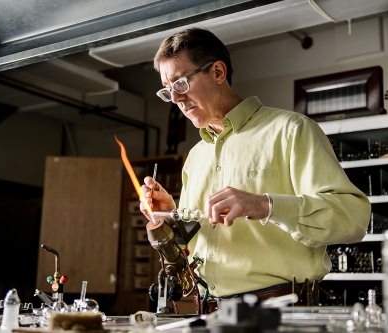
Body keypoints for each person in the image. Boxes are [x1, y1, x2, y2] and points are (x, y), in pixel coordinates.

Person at [140, 27, 371, 305]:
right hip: (207, 311)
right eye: (168, 91)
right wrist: (171, 216)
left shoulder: (291, 131)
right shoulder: (196, 156)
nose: (176, 99)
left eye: (180, 84)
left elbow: (353, 219)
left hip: (280, 312)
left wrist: (265, 205)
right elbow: (192, 246)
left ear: (217, 72)